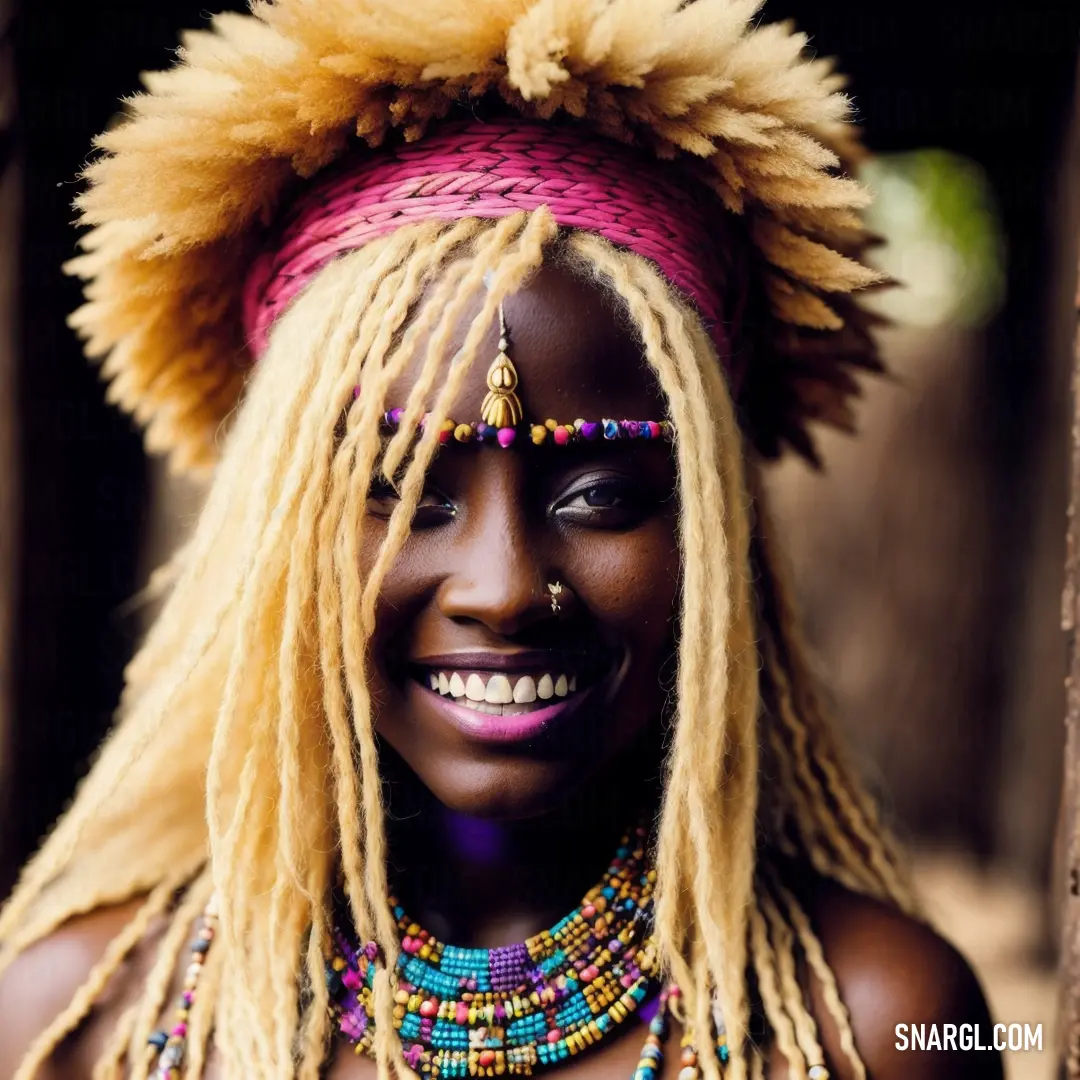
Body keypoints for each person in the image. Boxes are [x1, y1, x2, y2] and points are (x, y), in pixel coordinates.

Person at [0, 1, 1001, 1078]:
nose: (505, 587)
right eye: (402, 489)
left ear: (716, 530)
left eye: (602, 496)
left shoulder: (884, 1029)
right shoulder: (78, 1025)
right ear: (277, 531)